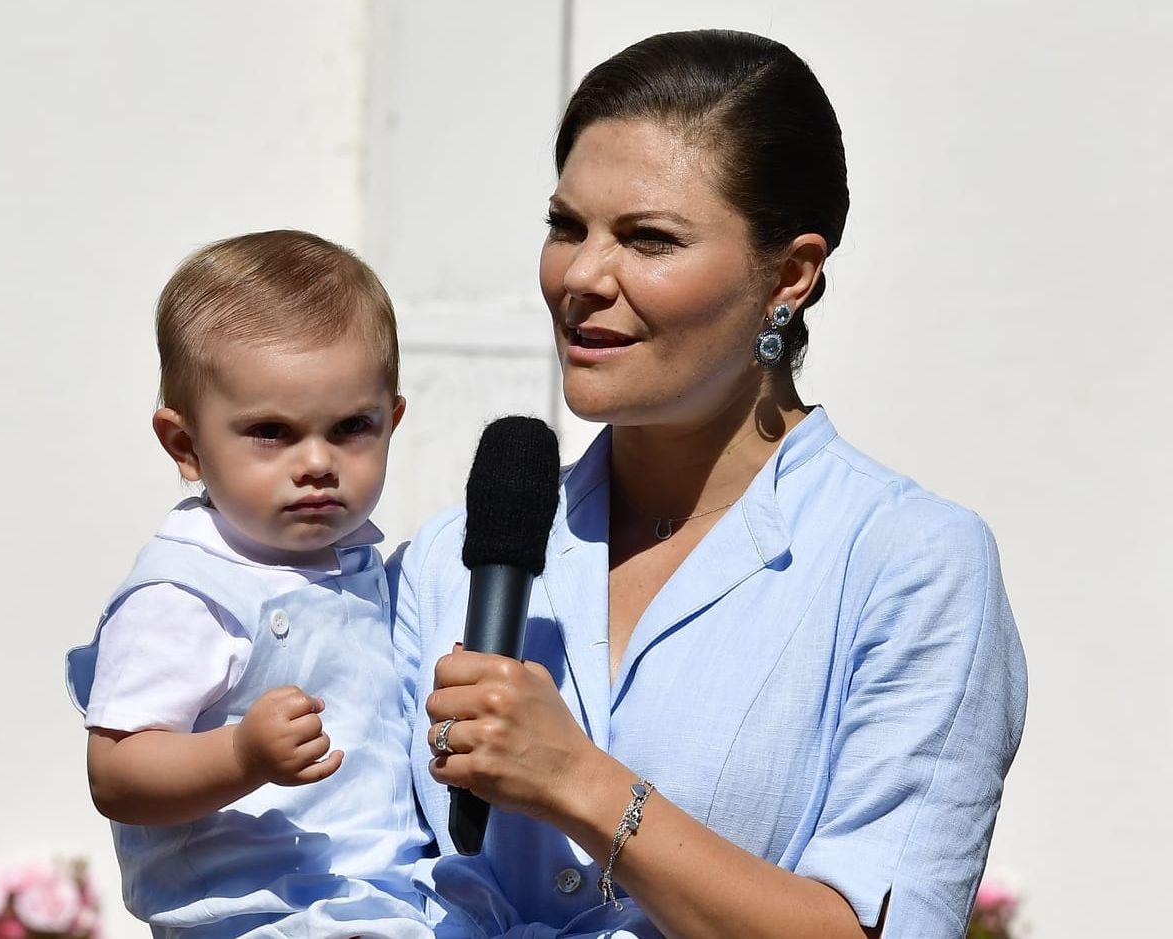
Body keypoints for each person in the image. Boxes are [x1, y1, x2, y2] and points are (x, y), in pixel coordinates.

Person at [394, 30, 1028, 938]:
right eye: (566, 226)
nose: (580, 275)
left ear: (790, 276)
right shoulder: (452, 560)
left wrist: (581, 781)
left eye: (648, 238)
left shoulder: (907, 562)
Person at [65, 230, 431, 938]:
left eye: (353, 426)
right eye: (271, 431)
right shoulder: (187, 592)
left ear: (393, 420)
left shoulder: (362, 566)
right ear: (186, 445)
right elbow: (116, 772)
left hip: (376, 904)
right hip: (257, 917)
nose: (317, 461)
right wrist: (239, 754)